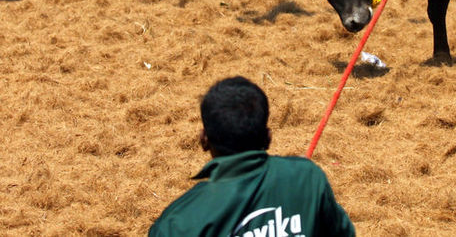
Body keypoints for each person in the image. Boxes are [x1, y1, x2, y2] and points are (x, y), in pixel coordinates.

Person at [148, 76, 355, 236]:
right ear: (268, 138)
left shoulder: (176, 223)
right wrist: (297, 175)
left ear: (204, 140)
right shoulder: (308, 178)